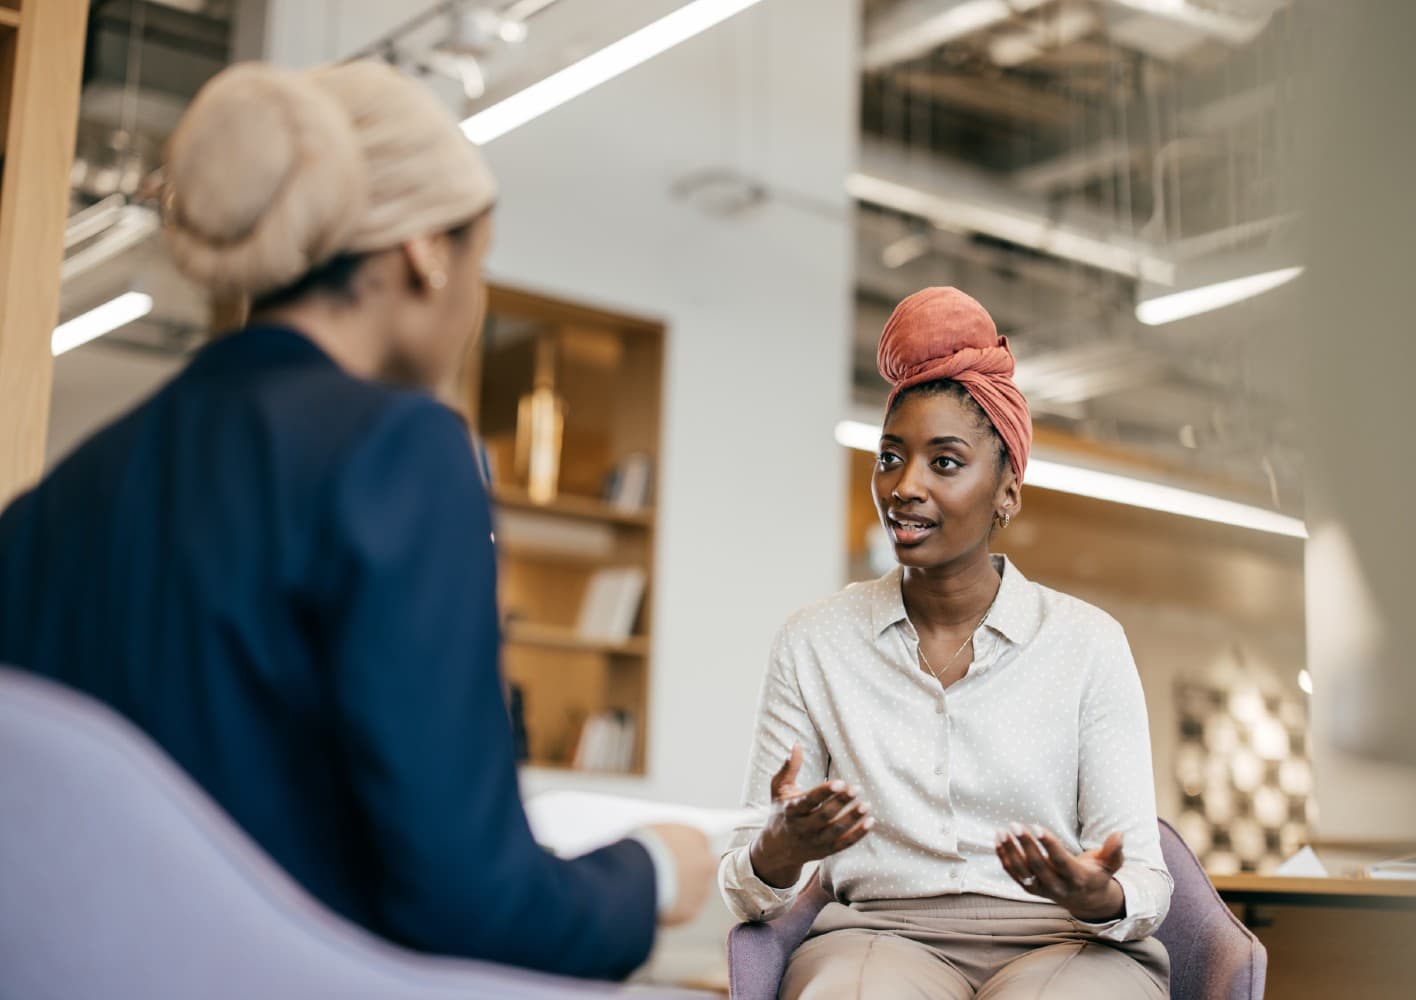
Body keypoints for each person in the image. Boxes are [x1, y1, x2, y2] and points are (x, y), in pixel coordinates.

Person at [0, 61, 712, 981]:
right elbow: (468, 905)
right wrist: (647, 873)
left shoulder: (57, 500)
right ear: (425, 252)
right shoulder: (397, 452)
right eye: (480, 263)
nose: (475, 299)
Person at [719, 287, 1172, 998]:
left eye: (946, 462)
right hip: (879, 938)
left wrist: (1097, 894)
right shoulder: (815, 643)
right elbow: (749, 889)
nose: (904, 486)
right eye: (891, 457)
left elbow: (1144, 877)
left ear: (1008, 493)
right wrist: (778, 851)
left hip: (1062, 941)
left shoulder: (1088, 644)